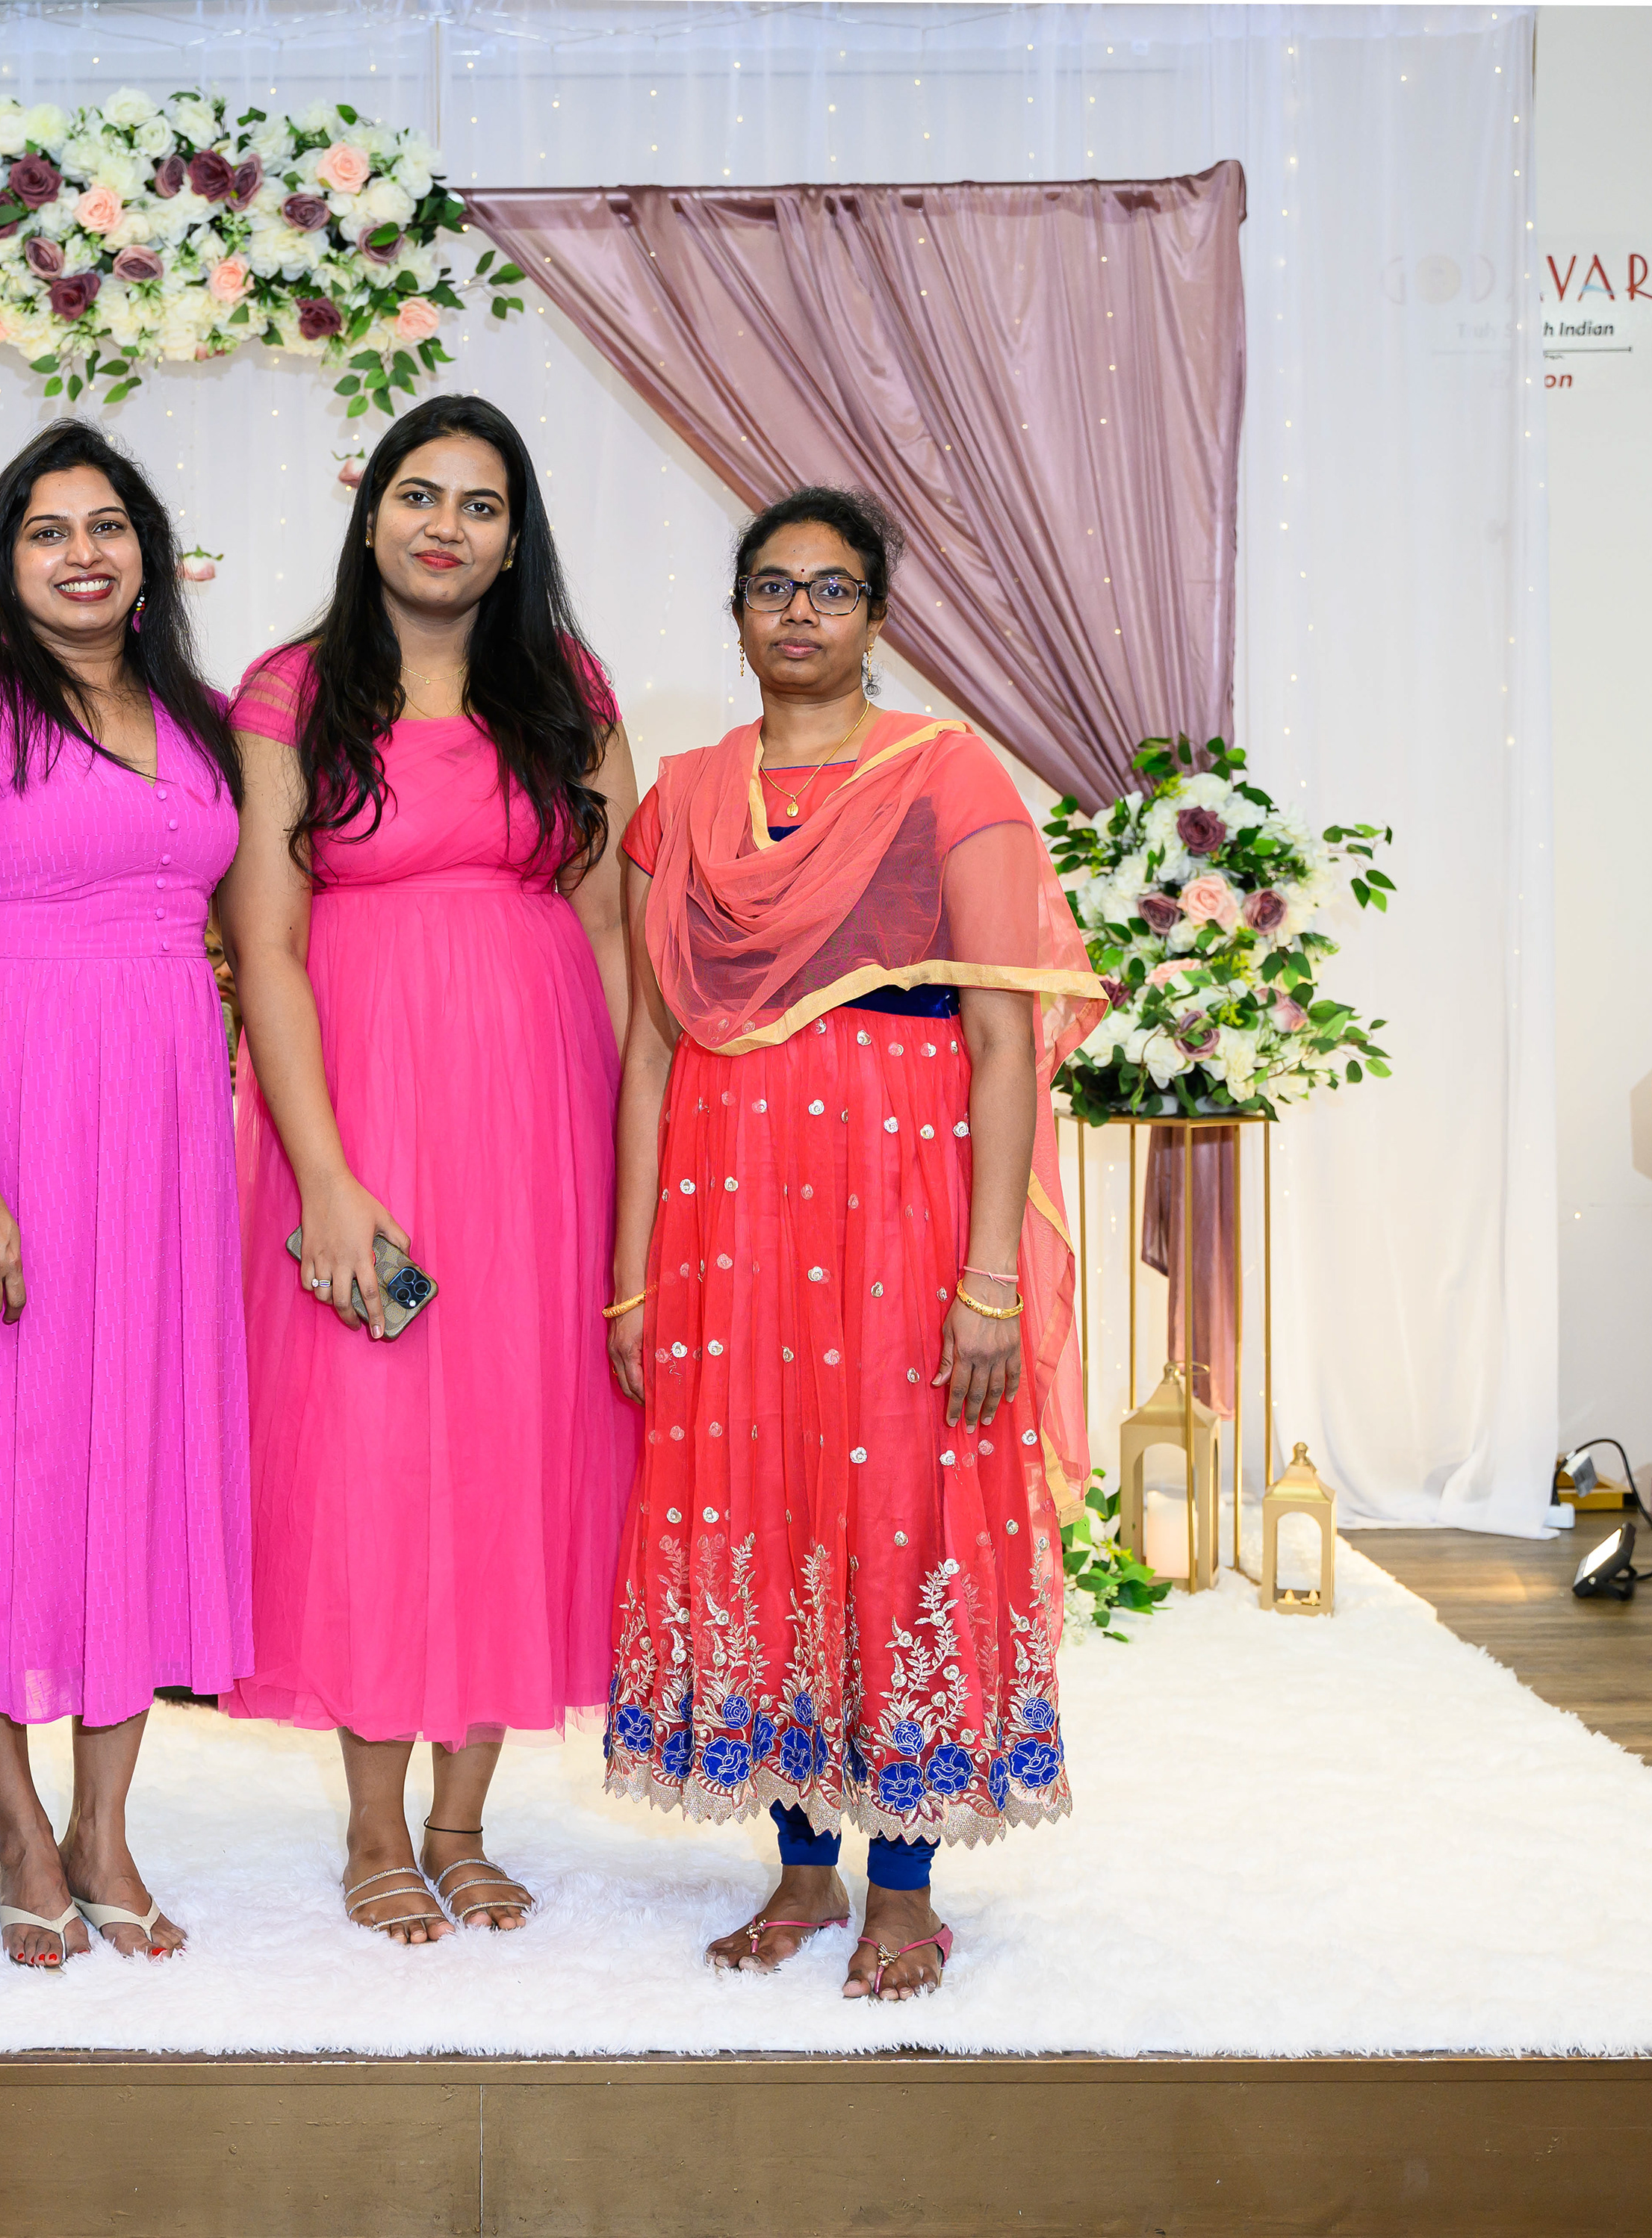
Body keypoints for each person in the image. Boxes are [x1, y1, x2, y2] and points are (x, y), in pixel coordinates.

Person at [603, 487, 1105, 1999]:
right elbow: (649, 1048)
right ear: (738, 614)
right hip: (728, 1205)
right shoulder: (685, 799)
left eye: (832, 588)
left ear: (878, 615)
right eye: (774, 586)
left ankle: (906, 1887)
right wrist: (632, 1277)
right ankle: (802, 1865)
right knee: (760, 1506)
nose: (800, 612)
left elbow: (1005, 1038)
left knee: (900, 1508)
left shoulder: (949, 775)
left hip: (902, 1194)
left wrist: (991, 1274)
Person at [218, 394, 640, 1944]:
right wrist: (324, 1173)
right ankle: (376, 1823)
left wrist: (634, 1164)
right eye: (418, 494)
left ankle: (463, 1821)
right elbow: (266, 942)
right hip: (363, 1106)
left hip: (544, 1121)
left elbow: (609, 925)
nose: (444, 526)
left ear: (513, 539)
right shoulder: (294, 689)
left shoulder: (567, 688)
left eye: (478, 503)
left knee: (519, 1436)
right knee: (374, 1445)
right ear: (372, 512)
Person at [0, 420, 249, 1968]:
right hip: (14, 1113)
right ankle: (19, 1823)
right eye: (48, 530)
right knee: (2, 1464)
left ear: (146, 553)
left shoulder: (198, 720)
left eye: (107, 525)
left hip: (166, 1127)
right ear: (5, 560)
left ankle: (104, 1824)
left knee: (134, 1454)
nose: (82, 553)